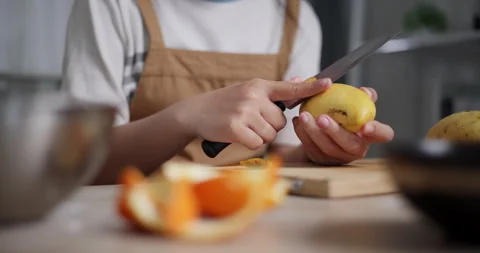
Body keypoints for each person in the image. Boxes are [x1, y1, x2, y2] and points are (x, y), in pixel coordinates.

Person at [61, 0, 394, 185]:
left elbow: (281, 158)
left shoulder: (295, 17)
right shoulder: (112, 5)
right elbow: (81, 163)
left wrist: (320, 152)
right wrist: (185, 118)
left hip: (250, 219)